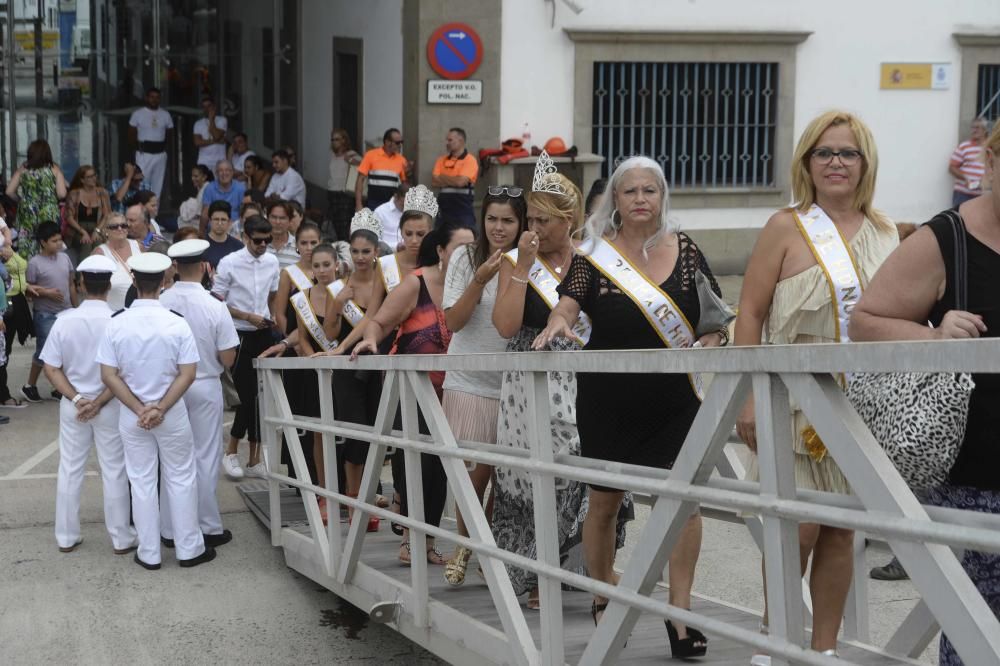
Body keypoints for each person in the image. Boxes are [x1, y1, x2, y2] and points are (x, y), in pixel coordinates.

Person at [534, 156, 724, 654]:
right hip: (608, 398)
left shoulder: (686, 251)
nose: (641, 198)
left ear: (663, 197)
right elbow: (568, 303)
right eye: (629, 191)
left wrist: (712, 340)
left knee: (684, 503)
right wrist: (557, 320)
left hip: (674, 398)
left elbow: (714, 316)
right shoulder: (594, 254)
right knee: (605, 501)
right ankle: (602, 595)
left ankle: (679, 616)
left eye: (650, 190)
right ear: (615, 200)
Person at [734, 110, 899, 661]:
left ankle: (823, 651)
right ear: (806, 161)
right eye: (823, 152)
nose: (835, 162)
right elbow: (750, 314)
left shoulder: (885, 231)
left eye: (847, 153)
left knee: (841, 533)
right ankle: (774, 642)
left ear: (864, 163)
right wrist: (750, 397)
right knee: (796, 530)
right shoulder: (787, 225)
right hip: (792, 402)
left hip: (860, 406)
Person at [850, 118, 1000, 666]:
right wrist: (934, 333)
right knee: (977, 621)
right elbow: (865, 322)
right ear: (990, 163)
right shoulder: (948, 238)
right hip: (971, 471)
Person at [491, 163, 611, 610]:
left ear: (569, 219)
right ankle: (540, 579)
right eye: (531, 219)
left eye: (544, 220)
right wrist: (523, 265)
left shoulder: (593, 258)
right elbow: (504, 326)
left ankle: (583, 572)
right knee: (542, 472)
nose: (534, 228)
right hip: (532, 378)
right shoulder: (516, 261)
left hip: (585, 375)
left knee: (584, 465)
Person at [352, 222, 474, 564]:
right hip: (412, 391)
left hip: (452, 390)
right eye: (460, 248)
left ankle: (428, 543)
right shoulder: (415, 283)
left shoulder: (470, 286)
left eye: (471, 249)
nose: (467, 255)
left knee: (441, 469)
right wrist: (371, 339)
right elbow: (379, 321)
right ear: (441, 251)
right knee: (417, 464)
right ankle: (408, 541)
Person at [97, 251, 214, 570]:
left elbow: (108, 376)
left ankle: (148, 552)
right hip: (171, 412)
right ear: (165, 280)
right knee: (181, 476)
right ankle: (189, 549)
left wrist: (139, 409)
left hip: (132, 415)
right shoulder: (176, 323)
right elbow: (187, 373)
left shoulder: (116, 323)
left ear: (134, 280)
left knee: (142, 480)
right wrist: (160, 408)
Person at [441, 187, 526, 586]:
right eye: (492, 218)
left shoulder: (530, 259)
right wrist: (479, 279)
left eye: (508, 220)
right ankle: (465, 545)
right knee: (472, 477)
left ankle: (486, 549)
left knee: (507, 480)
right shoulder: (465, 255)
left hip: (515, 386)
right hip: (468, 381)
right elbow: (454, 322)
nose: (499, 227)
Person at [40, 254, 136, 554]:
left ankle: (66, 536)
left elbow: (51, 368)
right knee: (115, 470)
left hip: (74, 404)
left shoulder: (65, 321)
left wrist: (79, 399)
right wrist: (98, 401)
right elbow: (123, 372)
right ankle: (121, 537)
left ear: (80, 284)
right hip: (110, 404)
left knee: (70, 468)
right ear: (108, 286)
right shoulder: (119, 320)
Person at [160, 239, 239, 548]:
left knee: (172, 458)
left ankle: (169, 528)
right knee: (205, 456)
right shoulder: (214, 304)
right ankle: (207, 525)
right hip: (205, 383)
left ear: (175, 267)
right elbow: (228, 358)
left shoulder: (163, 301)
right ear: (206, 267)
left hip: (168, 387)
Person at [312, 210, 386, 529]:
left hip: (375, 366)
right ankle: (355, 502)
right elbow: (330, 332)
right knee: (355, 433)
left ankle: (366, 500)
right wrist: (339, 303)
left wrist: (342, 346)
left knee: (375, 435)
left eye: (365, 252)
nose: (360, 257)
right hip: (348, 369)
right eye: (355, 252)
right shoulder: (339, 287)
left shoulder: (384, 281)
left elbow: (373, 321)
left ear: (376, 253)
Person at [213, 215, 280, 480]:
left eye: (267, 240)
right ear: (245, 237)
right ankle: (231, 450)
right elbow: (218, 301)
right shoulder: (229, 262)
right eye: (257, 240)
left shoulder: (273, 261)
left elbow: (273, 293)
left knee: (259, 397)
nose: (263, 244)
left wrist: (271, 317)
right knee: (244, 394)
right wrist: (246, 316)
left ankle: (254, 458)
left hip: (263, 331)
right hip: (238, 332)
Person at [22, 222, 78, 403]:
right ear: (43, 242)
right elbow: (28, 290)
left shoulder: (65, 258)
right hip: (45, 314)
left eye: (59, 239)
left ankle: (57, 388)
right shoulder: (34, 263)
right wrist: (47, 293)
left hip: (66, 312)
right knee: (44, 351)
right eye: (54, 241)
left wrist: (76, 309)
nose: (59, 243)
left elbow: (71, 284)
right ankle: (30, 385)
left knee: (65, 351)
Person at [5, 140, 67, 259]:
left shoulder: (24, 168)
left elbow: (9, 191)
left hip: (27, 212)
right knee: (48, 239)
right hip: (48, 211)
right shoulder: (54, 168)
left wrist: (22, 201)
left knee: (27, 241)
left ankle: (29, 271)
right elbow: (61, 193)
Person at [91, 212, 143, 311]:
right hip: (114, 313)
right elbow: (88, 286)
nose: (120, 229)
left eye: (123, 225)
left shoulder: (139, 245)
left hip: (139, 311)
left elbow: (158, 241)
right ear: (106, 231)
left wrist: (150, 224)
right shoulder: (99, 253)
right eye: (114, 227)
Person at [128, 87, 174, 198]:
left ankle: (153, 214)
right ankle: (142, 213)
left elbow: (170, 134)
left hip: (160, 154)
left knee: (157, 186)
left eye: (157, 98)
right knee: (142, 184)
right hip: (144, 154)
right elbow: (131, 136)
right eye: (152, 97)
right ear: (147, 98)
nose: (154, 100)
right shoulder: (138, 114)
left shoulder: (165, 115)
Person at [432, 127, 479, 229]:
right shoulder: (441, 160)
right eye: (446, 140)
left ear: (461, 140)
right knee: (439, 239)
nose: (447, 143)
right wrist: (455, 179)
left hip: (463, 211)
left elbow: (460, 182)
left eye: (450, 140)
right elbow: (434, 181)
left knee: (466, 240)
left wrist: (443, 177)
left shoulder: (470, 160)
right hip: (444, 211)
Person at [64, 165, 112, 265]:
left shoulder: (103, 193)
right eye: (89, 177)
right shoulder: (74, 193)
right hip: (78, 228)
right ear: (82, 180)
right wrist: (83, 232)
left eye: (94, 175)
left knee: (98, 244)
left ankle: (99, 273)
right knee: (86, 243)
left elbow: (107, 214)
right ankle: (81, 277)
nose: (94, 178)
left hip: (97, 226)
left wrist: (97, 231)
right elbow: (69, 217)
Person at [356, 128, 409, 212]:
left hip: (393, 204)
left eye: (401, 142)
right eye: (397, 143)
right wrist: (358, 204)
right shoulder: (370, 155)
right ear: (387, 142)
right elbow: (360, 180)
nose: (400, 145)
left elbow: (404, 184)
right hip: (373, 203)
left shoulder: (402, 160)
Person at [327, 128, 362, 240]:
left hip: (344, 195)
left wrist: (350, 161)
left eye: (337, 139)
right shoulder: (333, 156)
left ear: (344, 140)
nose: (334, 142)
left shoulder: (350, 154)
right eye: (332, 139)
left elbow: (364, 165)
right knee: (336, 224)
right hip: (332, 193)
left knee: (345, 226)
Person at [949, 117, 990, 209]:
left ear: (985, 130)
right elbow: (952, 167)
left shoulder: (990, 148)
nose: (974, 130)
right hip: (962, 194)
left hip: (982, 195)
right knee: (959, 220)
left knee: (978, 221)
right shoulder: (964, 146)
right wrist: (965, 178)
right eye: (973, 127)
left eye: (977, 127)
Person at [199, 160, 246, 235]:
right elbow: (205, 213)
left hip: (234, 227)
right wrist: (201, 233)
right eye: (220, 171)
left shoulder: (240, 188)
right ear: (216, 173)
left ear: (232, 172)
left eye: (227, 170)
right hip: (214, 226)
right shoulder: (210, 188)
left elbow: (244, 212)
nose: (224, 173)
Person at [204, 201, 244, 269]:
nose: (219, 223)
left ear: (229, 222)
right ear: (210, 221)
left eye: (223, 220)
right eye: (216, 219)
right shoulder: (201, 244)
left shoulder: (238, 246)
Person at [193, 95, 228, 175]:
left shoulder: (222, 120)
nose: (206, 109)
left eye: (209, 106)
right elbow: (197, 142)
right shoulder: (198, 124)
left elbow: (216, 135)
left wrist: (211, 120)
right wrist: (216, 141)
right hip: (204, 161)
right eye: (204, 107)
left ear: (214, 107)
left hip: (220, 161)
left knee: (219, 186)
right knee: (205, 186)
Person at [266, 200, 300, 270]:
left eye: (282, 218)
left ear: (290, 221)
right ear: (267, 218)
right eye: (274, 217)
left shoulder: (299, 246)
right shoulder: (258, 243)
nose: (277, 222)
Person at [373, 184, 408, 251]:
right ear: (395, 196)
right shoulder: (380, 211)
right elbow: (374, 239)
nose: (405, 207)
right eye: (403, 204)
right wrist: (396, 247)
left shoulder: (410, 211)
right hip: (386, 252)